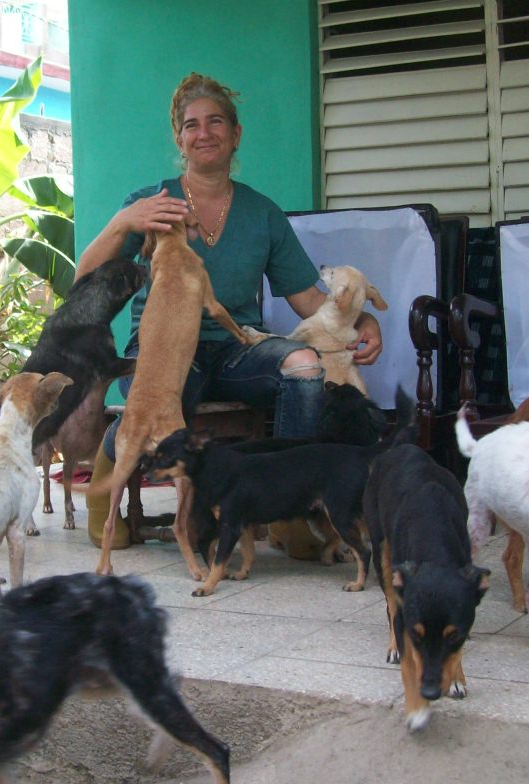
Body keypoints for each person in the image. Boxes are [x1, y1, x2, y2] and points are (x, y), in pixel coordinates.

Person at [79, 72, 382, 549]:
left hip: (239, 345)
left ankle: (289, 510)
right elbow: (85, 280)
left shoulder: (262, 213)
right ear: (179, 138)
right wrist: (122, 223)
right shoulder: (152, 203)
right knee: (161, 397)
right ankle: (104, 483)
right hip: (164, 348)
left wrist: (361, 320)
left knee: (304, 365)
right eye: (192, 124)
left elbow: (306, 298)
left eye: (216, 121)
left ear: (235, 133)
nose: (205, 133)